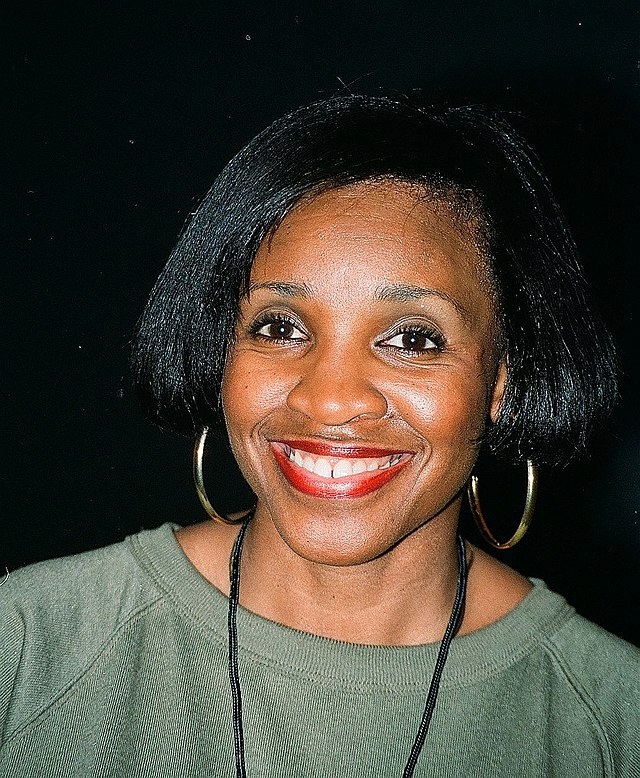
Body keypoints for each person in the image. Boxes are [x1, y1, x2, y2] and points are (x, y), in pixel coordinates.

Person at [1, 95, 638, 777]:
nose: (330, 399)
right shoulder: (29, 648)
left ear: (501, 380)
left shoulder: (611, 720)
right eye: (280, 327)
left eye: (412, 339)